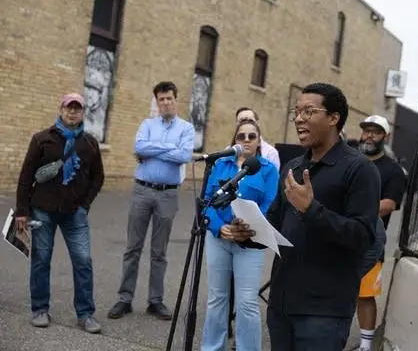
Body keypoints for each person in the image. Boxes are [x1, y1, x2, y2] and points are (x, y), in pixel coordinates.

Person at [266, 82, 381, 351]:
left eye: (309, 111)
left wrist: (311, 209)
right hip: (282, 304)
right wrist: (248, 233)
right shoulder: (293, 167)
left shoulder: (360, 169)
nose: (299, 119)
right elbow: (275, 222)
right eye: (297, 112)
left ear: (333, 118)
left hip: (323, 312)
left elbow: (363, 236)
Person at [15, 93, 105, 333]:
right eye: (69, 108)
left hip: (75, 213)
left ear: (82, 113)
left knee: (83, 262)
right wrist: (22, 211)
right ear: (61, 110)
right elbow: (26, 177)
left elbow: (98, 178)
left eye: (77, 109)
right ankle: (40, 309)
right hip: (43, 209)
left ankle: (86, 314)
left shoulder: (89, 143)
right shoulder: (42, 139)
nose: (72, 112)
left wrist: (85, 205)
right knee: (41, 260)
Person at [108, 81, 195, 320]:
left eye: (169, 98)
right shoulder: (147, 124)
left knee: (159, 251)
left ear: (176, 100)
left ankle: (155, 301)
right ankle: (124, 298)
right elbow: (139, 147)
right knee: (132, 248)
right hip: (142, 191)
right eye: (161, 100)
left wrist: (152, 149)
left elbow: (184, 155)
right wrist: (168, 148)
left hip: (168, 193)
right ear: (156, 102)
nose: (165, 103)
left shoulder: (186, 129)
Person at [201, 119, 279, 350]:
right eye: (241, 136)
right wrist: (218, 227)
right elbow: (207, 201)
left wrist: (246, 227)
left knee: (246, 303)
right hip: (219, 238)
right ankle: (212, 347)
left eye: (251, 136)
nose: (246, 140)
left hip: (249, 242)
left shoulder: (267, 170)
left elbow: (271, 205)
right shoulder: (221, 165)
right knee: (217, 298)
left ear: (258, 141)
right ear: (234, 141)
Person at [356, 115, 407, 351]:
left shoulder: (393, 170)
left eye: (375, 132)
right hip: (338, 236)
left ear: (385, 136)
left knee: (365, 295)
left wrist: (354, 209)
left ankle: (366, 345)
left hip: (369, 243)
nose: (369, 135)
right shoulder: (351, 160)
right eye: (366, 130)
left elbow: (389, 204)